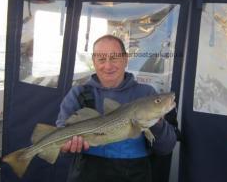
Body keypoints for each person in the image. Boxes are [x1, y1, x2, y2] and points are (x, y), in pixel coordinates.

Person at [56, 34, 177, 182]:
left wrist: (157, 122)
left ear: (126, 59)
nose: (108, 66)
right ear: (94, 61)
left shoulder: (146, 94)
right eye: (101, 59)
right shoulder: (78, 93)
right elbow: (60, 146)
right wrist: (66, 148)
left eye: (114, 58)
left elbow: (166, 148)